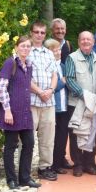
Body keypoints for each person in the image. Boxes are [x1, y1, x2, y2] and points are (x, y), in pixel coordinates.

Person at [0, 36, 41, 189]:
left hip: (25, 112)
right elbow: (1, 88)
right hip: (12, 112)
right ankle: (11, 180)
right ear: (16, 47)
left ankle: (24, 178)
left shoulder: (29, 65)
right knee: (10, 145)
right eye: (22, 46)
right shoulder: (10, 63)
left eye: (28, 46)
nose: (25, 49)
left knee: (29, 143)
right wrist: (7, 111)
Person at [66, 31, 96, 177]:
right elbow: (69, 79)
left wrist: (95, 99)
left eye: (89, 39)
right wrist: (85, 96)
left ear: (93, 42)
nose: (86, 41)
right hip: (77, 102)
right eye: (83, 39)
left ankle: (89, 162)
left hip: (94, 103)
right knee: (76, 133)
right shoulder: (72, 58)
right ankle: (78, 164)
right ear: (79, 42)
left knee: (92, 132)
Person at [28, 21, 58, 181]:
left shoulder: (49, 53)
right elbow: (23, 77)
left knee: (47, 137)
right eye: (36, 32)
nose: (39, 35)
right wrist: (39, 91)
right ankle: (24, 168)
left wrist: (50, 90)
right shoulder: (25, 51)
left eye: (42, 33)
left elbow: (55, 74)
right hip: (32, 100)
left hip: (49, 102)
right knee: (27, 137)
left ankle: (45, 167)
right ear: (31, 33)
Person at [43, 39, 69, 175]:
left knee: (62, 136)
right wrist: (62, 82)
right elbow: (51, 87)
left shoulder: (63, 66)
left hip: (64, 106)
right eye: (54, 50)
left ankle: (59, 162)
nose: (58, 52)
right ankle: (51, 164)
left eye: (59, 49)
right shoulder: (48, 66)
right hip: (54, 105)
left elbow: (68, 82)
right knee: (52, 137)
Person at [51, 18, 73, 170]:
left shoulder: (68, 45)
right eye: (57, 29)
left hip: (66, 94)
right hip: (53, 94)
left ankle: (61, 157)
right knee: (53, 131)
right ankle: (53, 161)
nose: (60, 31)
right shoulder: (48, 45)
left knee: (64, 129)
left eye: (62, 28)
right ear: (52, 30)